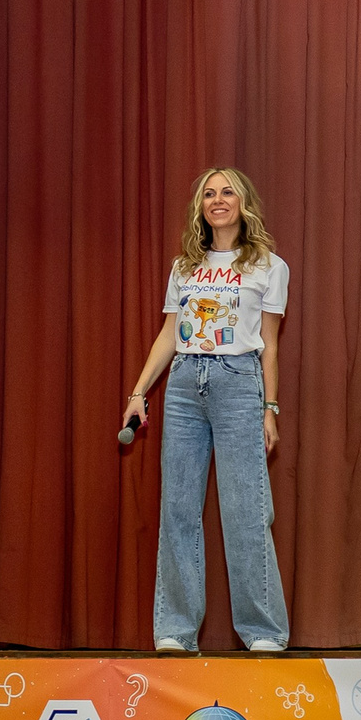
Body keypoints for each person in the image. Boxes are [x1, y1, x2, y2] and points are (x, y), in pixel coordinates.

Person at [122, 167, 291, 655]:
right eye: (209, 194)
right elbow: (170, 333)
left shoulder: (268, 266)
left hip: (238, 382)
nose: (218, 200)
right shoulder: (184, 266)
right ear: (201, 207)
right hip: (181, 387)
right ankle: (175, 630)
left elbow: (271, 347)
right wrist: (139, 391)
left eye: (227, 192)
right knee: (178, 508)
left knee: (246, 509)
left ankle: (263, 632)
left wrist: (270, 407)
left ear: (243, 202)